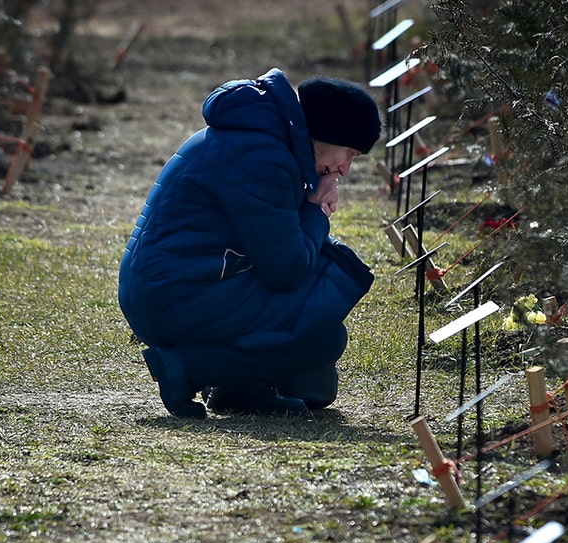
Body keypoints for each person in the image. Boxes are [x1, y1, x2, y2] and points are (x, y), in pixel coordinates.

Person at [118, 68, 381, 418]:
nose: (345, 169)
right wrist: (315, 209)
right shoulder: (263, 158)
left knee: (317, 362)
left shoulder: (261, 139)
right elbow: (286, 270)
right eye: (349, 153)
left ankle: (238, 387)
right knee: (324, 329)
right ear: (325, 133)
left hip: (176, 286)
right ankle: (185, 369)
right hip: (175, 296)